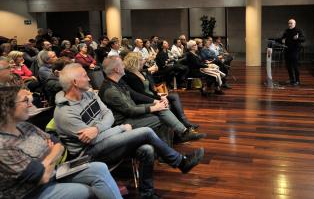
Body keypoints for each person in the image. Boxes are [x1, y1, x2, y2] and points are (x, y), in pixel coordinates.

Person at [54, 63, 204, 198]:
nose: (89, 78)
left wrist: (97, 128)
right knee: (146, 131)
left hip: (106, 140)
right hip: (90, 155)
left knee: (147, 149)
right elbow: (94, 139)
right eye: (85, 76)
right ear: (74, 82)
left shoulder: (89, 94)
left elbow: (109, 115)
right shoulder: (65, 113)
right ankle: (180, 162)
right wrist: (121, 128)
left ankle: (147, 193)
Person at [0, 84, 123, 199]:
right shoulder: (3, 146)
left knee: (99, 168)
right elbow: (42, 177)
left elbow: (58, 144)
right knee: (87, 190)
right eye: (25, 101)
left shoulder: (24, 126)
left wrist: (47, 160)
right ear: (7, 108)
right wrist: (51, 153)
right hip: (31, 192)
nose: (30, 104)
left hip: (54, 172)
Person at [280, 19, 305, 86]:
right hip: (287, 50)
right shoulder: (286, 31)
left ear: (294, 24)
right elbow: (282, 38)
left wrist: (297, 38)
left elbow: (303, 39)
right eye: (288, 23)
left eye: (291, 23)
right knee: (288, 66)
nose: (289, 24)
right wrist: (282, 40)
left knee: (295, 66)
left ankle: (297, 80)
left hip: (295, 51)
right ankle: (292, 79)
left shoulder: (298, 31)